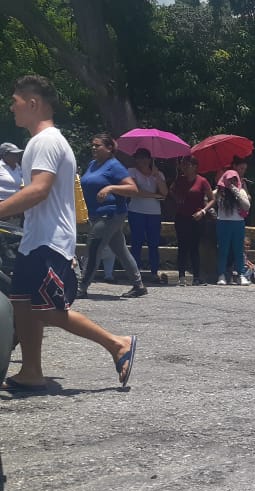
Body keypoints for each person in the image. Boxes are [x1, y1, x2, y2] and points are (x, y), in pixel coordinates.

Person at [0, 75, 137, 391]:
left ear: (33, 103)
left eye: (15, 100)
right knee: (21, 303)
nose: (11, 106)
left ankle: (117, 344)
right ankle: (31, 371)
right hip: (35, 239)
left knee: (49, 308)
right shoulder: (41, 142)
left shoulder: (45, 141)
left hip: (50, 241)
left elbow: (38, 190)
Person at [79, 132, 148, 298]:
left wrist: (110, 188)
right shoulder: (93, 164)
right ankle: (139, 286)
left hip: (110, 213)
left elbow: (133, 189)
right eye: (93, 145)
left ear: (109, 148)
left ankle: (81, 287)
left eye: (98, 145)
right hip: (96, 213)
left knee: (94, 247)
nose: (93, 148)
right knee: (121, 250)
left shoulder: (114, 166)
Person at [125, 148, 168, 284]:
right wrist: (155, 195)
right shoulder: (131, 171)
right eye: (139, 158)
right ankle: (135, 273)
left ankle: (154, 272)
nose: (142, 161)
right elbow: (136, 191)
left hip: (154, 212)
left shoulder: (158, 173)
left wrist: (156, 176)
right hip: (136, 210)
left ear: (150, 159)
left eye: (145, 158)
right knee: (136, 242)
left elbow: (165, 192)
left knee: (153, 243)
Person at [169, 155, 212, 286]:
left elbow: (212, 198)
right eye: (183, 165)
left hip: (196, 217)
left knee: (194, 247)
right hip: (182, 217)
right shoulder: (179, 180)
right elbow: (170, 190)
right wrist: (176, 198)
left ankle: (196, 277)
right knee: (182, 247)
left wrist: (203, 211)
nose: (185, 167)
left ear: (194, 167)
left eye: (187, 165)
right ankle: (181, 277)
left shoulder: (202, 181)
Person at [208, 157, 252, 286]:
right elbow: (207, 198)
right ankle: (221, 274)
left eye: (234, 179)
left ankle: (241, 274)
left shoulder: (241, 190)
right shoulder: (219, 192)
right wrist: (212, 213)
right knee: (223, 250)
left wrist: (235, 191)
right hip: (223, 223)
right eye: (229, 179)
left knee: (238, 250)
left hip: (238, 223)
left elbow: (247, 206)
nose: (231, 181)